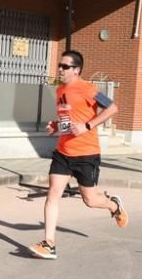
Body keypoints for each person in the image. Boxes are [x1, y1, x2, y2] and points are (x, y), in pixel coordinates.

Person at [28, 50, 127, 260]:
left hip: (86, 154)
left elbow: (113, 107)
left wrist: (87, 125)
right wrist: (56, 125)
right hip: (63, 152)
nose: (60, 70)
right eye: (59, 66)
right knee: (53, 194)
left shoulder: (88, 88)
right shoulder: (60, 90)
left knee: (90, 200)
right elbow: (68, 117)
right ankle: (49, 243)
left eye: (65, 66)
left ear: (76, 70)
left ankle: (113, 205)